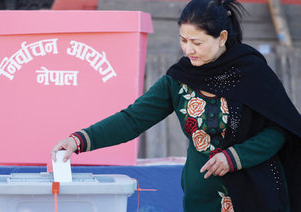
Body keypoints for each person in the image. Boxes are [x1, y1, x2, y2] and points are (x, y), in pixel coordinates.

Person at [51, 0, 301, 211]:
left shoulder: (252, 72)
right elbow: (133, 119)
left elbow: (280, 130)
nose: (188, 49)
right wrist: (79, 140)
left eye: (197, 42)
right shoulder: (179, 79)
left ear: (222, 37)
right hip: (201, 198)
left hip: (257, 195)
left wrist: (235, 157)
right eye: (183, 40)